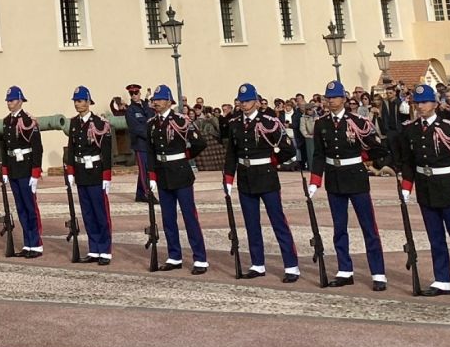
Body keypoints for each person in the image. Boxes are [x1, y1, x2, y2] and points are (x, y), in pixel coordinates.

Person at [396, 83, 450, 300]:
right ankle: (442, 279)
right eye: (417, 103)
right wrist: (407, 186)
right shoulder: (410, 129)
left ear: (435, 104)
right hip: (425, 187)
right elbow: (408, 160)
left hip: (447, 186)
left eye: (425, 102)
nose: (421, 106)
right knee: (435, 238)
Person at [309, 80, 387, 290]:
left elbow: (377, 148)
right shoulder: (321, 123)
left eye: (334, 97)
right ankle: (345, 269)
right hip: (334, 177)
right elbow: (318, 155)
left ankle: (378, 272)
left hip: (355, 175)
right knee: (339, 227)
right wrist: (315, 180)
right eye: (328, 97)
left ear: (344, 99)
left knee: (368, 227)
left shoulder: (358, 122)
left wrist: (365, 158)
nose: (331, 101)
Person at [223, 83, 300, 282]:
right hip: (246, 176)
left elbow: (289, 149)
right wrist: (228, 178)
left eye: (248, 101)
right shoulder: (234, 123)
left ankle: (291, 265)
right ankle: (257, 264)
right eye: (241, 101)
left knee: (278, 222)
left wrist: (273, 161)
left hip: (266, 175)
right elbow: (231, 153)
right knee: (251, 223)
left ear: (256, 101)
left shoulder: (269, 121)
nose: (244, 104)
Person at [146, 84, 207, 274]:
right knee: (168, 218)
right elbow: (150, 151)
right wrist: (151, 175)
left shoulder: (182, 120)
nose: (156, 103)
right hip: (162, 172)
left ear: (169, 101)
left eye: (159, 100)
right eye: (154, 100)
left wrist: (185, 155)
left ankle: (200, 259)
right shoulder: (151, 124)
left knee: (189, 216)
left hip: (180, 171)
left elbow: (199, 142)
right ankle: (174, 255)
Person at [64, 86, 113, 263]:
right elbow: (71, 149)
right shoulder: (74, 123)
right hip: (81, 172)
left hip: (96, 171)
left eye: (80, 101)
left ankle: (105, 250)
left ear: (88, 102)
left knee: (100, 212)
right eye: (75, 101)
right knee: (87, 213)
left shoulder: (100, 123)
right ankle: (94, 249)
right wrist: (70, 172)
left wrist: (107, 176)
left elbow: (106, 152)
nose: (77, 104)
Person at [0, 86, 43, 258]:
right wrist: (4, 170)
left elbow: (37, 148)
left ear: (20, 101)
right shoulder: (6, 121)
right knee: (21, 208)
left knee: (30, 207)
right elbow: (5, 147)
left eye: (12, 100)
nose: (9, 103)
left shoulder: (28, 121)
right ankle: (27, 243)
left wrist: (35, 173)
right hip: (14, 169)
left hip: (26, 167)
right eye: (8, 101)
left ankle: (36, 244)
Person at [125, 84, 152, 203]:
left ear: (140, 93)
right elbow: (136, 128)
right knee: (144, 169)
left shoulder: (147, 106)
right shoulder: (130, 110)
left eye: (136, 93)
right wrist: (150, 134)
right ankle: (147, 193)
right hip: (140, 144)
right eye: (132, 94)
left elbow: (152, 118)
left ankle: (140, 194)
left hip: (149, 144)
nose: (134, 95)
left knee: (147, 169)